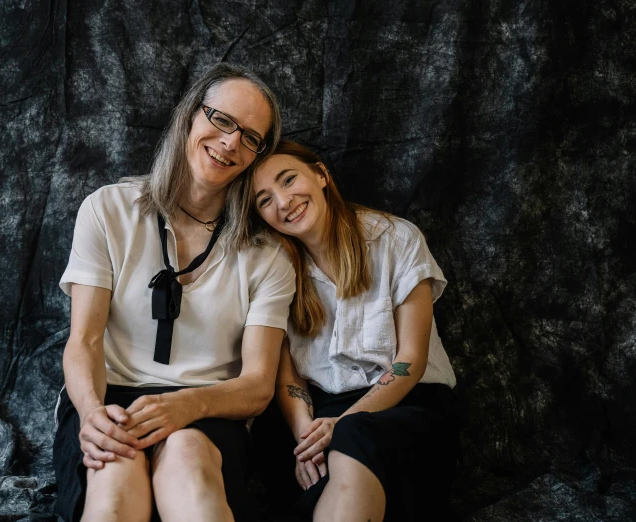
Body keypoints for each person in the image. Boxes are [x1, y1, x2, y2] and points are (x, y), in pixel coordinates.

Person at [52, 64, 295, 522]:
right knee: (116, 476)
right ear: (189, 116)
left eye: (250, 137)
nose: (230, 143)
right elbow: (83, 341)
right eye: (221, 120)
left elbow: (259, 386)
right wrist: (90, 414)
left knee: (188, 461)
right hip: (108, 398)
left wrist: (187, 405)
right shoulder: (107, 210)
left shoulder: (268, 256)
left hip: (209, 407)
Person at [249, 140, 460, 522]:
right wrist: (305, 439)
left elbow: (411, 360)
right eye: (264, 200)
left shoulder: (396, 238)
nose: (283, 202)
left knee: (353, 438)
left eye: (288, 179)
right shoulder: (271, 269)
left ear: (320, 174)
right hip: (323, 412)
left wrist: (342, 425)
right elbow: (288, 374)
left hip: (411, 403)